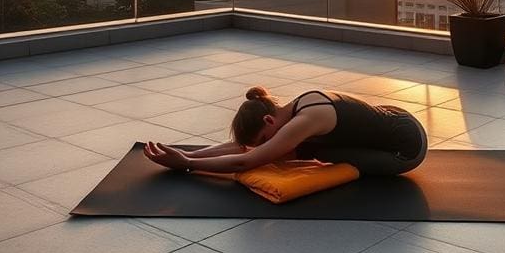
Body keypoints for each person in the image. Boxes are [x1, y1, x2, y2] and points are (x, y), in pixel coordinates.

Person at [144, 85, 428, 176]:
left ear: (268, 121)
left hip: (406, 148)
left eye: (265, 138)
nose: (266, 144)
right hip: (396, 116)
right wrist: (186, 153)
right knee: (291, 148)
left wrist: (189, 165)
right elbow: (247, 148)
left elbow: (248, 159)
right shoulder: (295, 106)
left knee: (300, 151)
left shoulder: (306, 120)